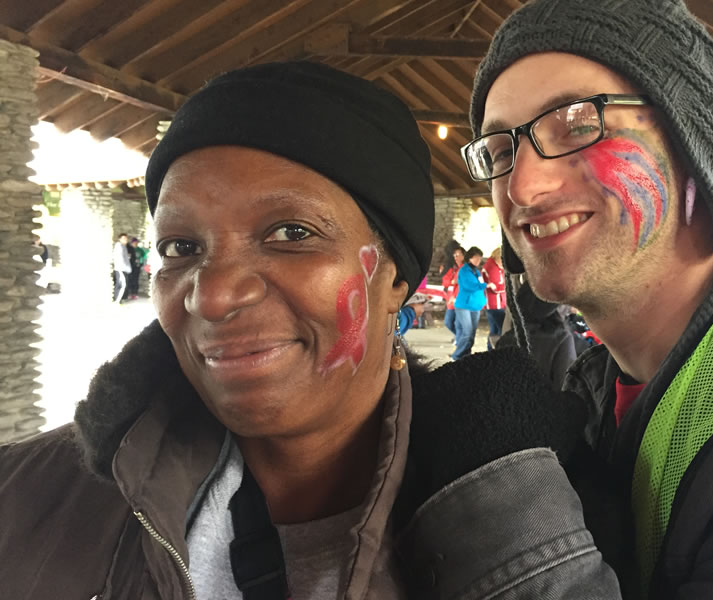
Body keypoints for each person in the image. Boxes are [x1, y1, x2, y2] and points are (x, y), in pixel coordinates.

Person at [401, 0, 713, 598]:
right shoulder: (604, 381)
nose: (524, 187)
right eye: (502, 152)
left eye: (579, 122)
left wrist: (502, 504)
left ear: (690, 144)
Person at [0, 60, 439, 599]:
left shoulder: (521, 515)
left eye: (290, 232)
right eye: (180, 247)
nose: (212, 296)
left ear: (396, 278)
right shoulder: (23, 500)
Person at [450, 246, 487, 361]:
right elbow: (469, 286)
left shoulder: (476, 271)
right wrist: (485, 285)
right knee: (467, 332)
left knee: (471, 333)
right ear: (469, 258)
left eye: (479, 258)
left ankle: (466, 355)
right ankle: (457, 356)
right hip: (464, 305)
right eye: (476, 258)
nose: (478, 261)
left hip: (475, 306)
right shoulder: (465, 270)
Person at [481, 247, 506, 349]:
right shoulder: (492, 267)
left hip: (496, 303)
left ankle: (490, 349)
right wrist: (505, 287)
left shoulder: (494, 265)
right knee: (501, 329)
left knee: (494, 329)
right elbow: (496, 286)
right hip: (494, 303)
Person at [440, 245, 464, 341]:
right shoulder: (453, 268)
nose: (456, 257)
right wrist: (452, 282)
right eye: (455, 255)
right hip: (451, 300)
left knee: (458, 324)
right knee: (448, 322)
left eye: (458, 255)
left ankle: (460, 340)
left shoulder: (464, 268)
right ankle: (460, 338)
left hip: (459, 299)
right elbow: (445, 281)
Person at [111, 232, 131, 303]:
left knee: (120, 284)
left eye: (126, 238)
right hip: (120, 268)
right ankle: (117, 301)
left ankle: (119, 300)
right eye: (123, 238)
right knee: (122, 285)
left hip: (123, 269)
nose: (125, 240)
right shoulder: (119, 246)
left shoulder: (123, 246)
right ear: (120, 239)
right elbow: (120, 258)